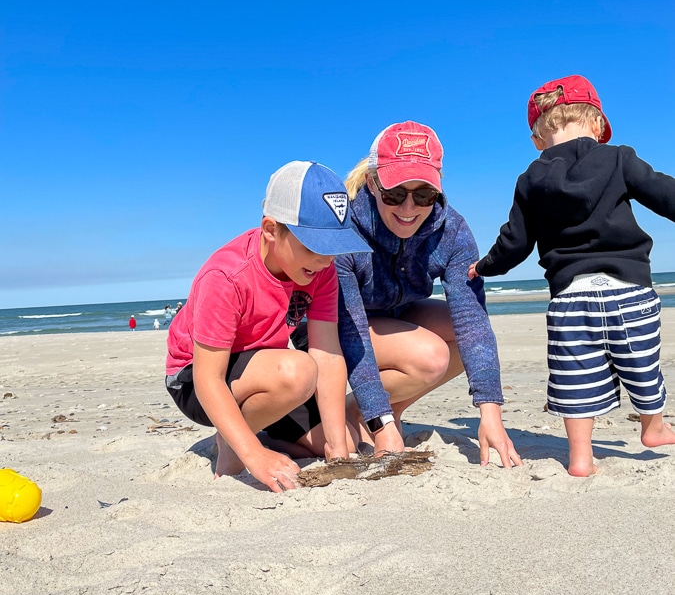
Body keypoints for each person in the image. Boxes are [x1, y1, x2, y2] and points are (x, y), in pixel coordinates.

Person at [469, 74, 675, 477]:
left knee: (576, 375)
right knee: (641, 362)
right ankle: (653, 427)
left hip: (569, 298)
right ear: (598, 125)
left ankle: (580, 458)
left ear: (537, 138)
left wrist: (485, 266)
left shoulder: (530, 178)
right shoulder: (618, 158)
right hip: (629, 289)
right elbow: (663, 192)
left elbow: (515, 242)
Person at [165, 160, 371, 493]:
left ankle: (255, 431)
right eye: (314, 247)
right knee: (298, 372)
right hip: (195, 378)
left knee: (346, 436)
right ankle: (231, 443)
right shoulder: (226, 277)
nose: (325, 261)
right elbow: (208, 378)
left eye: (333, 249)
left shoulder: (320, 272)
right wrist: (253, 454)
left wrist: (336, 449)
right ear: (271, 230)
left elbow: (328, 353)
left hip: (260, 368)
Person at [336, 121, 521, 468]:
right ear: (373, 183)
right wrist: (382, 426)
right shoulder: (345, 230)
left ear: (437, 189)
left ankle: (374, 410)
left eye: (422, 194)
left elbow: (472, 322)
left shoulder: (452, 230)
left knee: (459, 331)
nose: (408, 209)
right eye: (395, 194)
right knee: (431, 355)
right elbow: (350, 329)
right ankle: (371, 414)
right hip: (335, 327)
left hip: (396, 313)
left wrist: (491, 413)